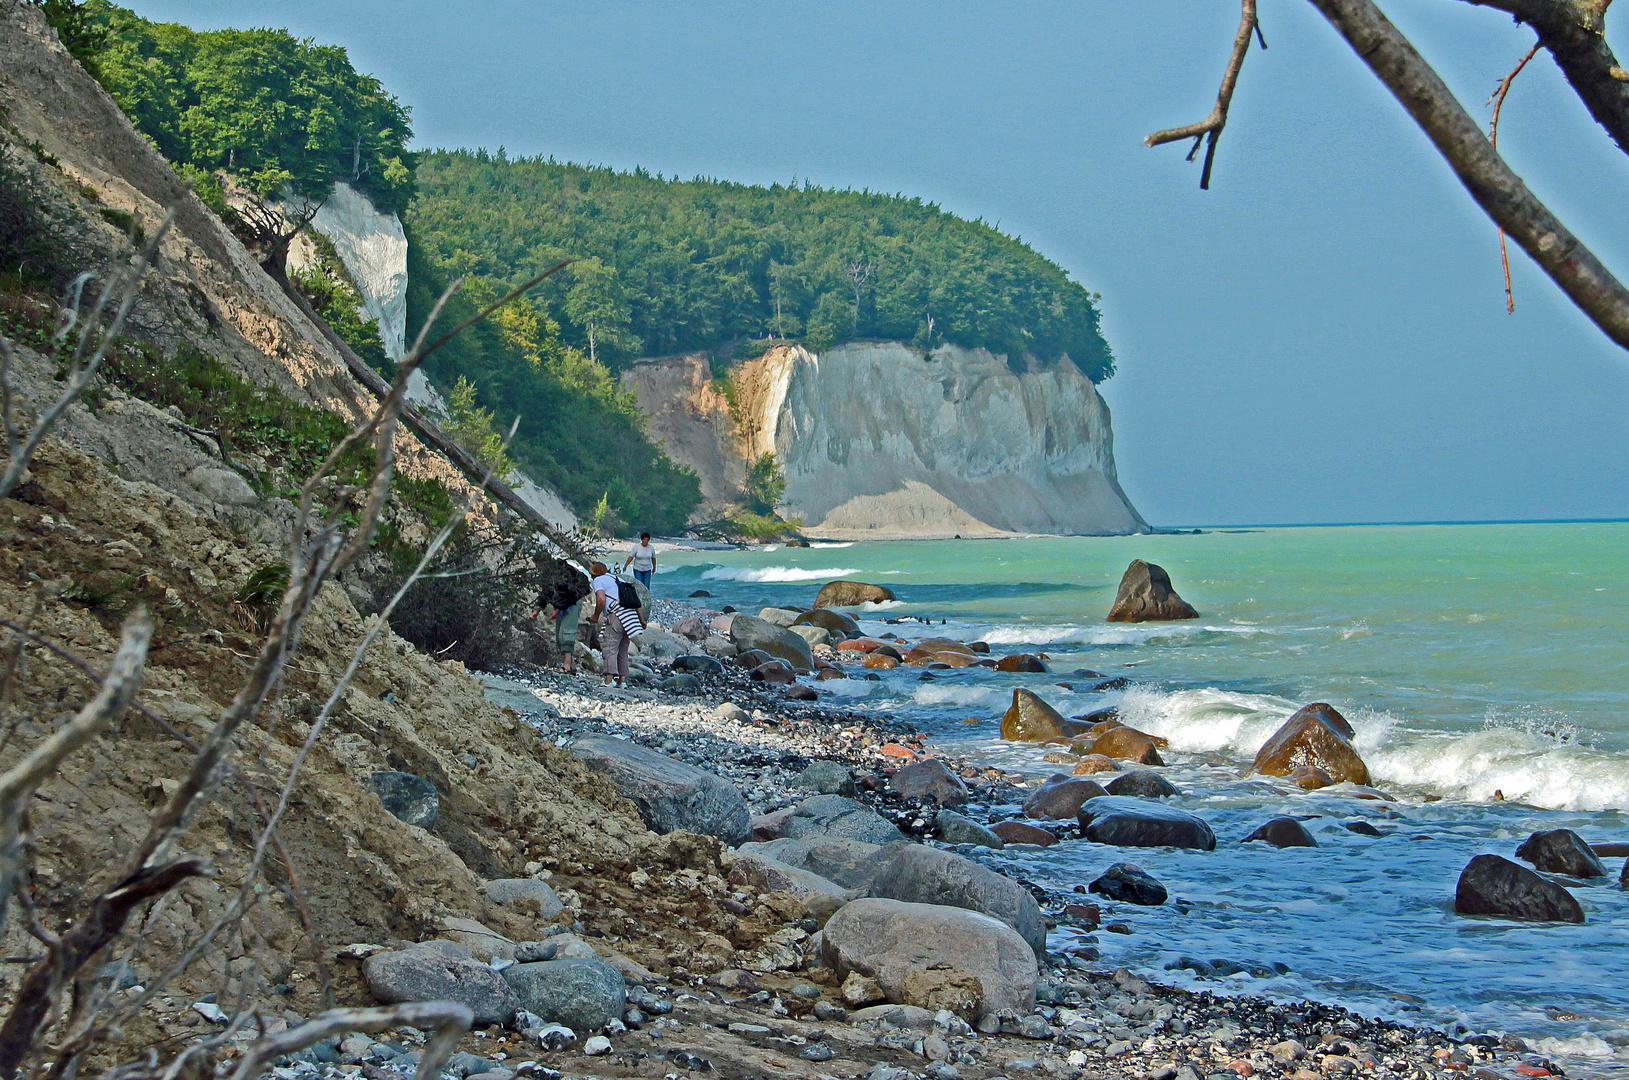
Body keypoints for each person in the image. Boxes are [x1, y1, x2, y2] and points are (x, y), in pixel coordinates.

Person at [589, 560, 645, 687]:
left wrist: (595, 615)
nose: (591, 577)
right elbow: (636, 601)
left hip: (616, 615)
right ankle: (622, 680)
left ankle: (609, 680)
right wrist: (642, 620)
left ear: (595, 573)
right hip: (631, 617)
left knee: (610, 647)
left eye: (591, 574)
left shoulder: (598, 580)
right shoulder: (619, 579)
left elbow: (601, 599)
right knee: (623, 649)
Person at [529, 562, 590, 673]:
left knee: (566, 633)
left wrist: (558, 610)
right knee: (559, 635)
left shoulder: (561, 575)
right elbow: (545, 594)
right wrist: (536, 611)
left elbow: (570, 594)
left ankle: (566, 666)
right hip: (563, 604)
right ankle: (572, 666)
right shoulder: (549, 575)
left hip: (573, 602)